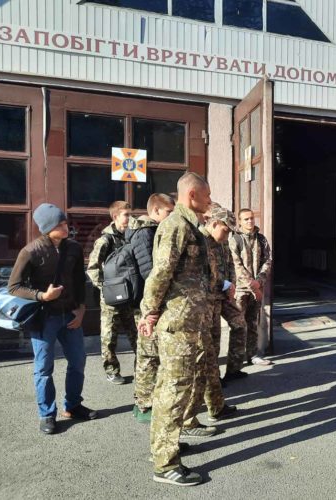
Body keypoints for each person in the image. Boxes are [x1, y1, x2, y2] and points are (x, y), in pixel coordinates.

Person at [138, 172, 214, 486]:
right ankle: (165, 465)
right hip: (178, 324)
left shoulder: (190, 225)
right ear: (193, 194)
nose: (209, 201)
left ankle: (168, 444)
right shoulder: (176, 226)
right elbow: (160, 273)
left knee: (177, 387)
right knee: (172, 390)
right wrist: (149, 311)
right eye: (207, 196)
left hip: (190, 321)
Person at [8, 203, 97, 435]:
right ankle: (47, 414)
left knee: (78, 362)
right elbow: (14, 287)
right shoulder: (30, 251)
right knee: (44, 369)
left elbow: (80, 281)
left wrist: (81, 309)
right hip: (43, 318)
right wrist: (41, 296)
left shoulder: (74, 248)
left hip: (70, 315)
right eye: (60, 224)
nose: (65, 227)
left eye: (65, 222)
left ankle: (73, 406)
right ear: (47, 227)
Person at [127, 193, 174, 423]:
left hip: (149, 304)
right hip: (145, 306)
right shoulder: (145, 234)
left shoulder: (151, 231)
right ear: (155, 211)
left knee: (150, 354)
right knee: (147, 356)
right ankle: (144, 404)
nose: (171, 216)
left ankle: (147, 399)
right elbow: (150, 273)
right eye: (168, 212)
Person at [201, 204, 247, 420]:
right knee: (207, 353)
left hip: (220, 297)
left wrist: (230, 287)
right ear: (214, 223)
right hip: (204, 303)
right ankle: (207, 404)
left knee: (216, 347)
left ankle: (217, 398)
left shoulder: (221, 243)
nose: (227, 235)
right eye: (226, 230)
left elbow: (229, 268)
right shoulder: (199, 242)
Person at [87, 200, 138, 385]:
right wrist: (105, 288)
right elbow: (92, 268)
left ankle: (141, 369)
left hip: (130, 296)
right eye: (126, 215)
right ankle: (111, 370)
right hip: (111, 298)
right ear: (115, 216)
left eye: (130, 215)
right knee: (109, 337)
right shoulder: (105, 240)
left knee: (136, 334)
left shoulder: (131, 236)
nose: (129, 219)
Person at [229, 208, 273, 367]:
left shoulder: (261, 239)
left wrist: (259, 282)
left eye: (251, 218)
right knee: (238, 325)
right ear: (240, 221)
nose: (250, 221)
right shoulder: (234, 239)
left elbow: (267, 261)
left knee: (253, 323)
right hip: (241, 290)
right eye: (246, 219)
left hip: (257, 288)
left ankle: (253, 355)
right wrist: (251, 284)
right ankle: (235, 361)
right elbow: (236, 265)